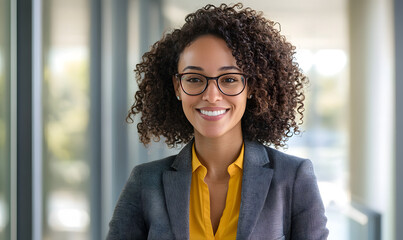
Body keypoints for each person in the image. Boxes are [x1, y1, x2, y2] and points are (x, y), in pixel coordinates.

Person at [107, 3, 328, 240]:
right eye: (194, 78)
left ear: (251, 86)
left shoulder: (293, 178)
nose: (211, 96)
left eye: (230, 79)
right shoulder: (145, 182)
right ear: (177, 87)